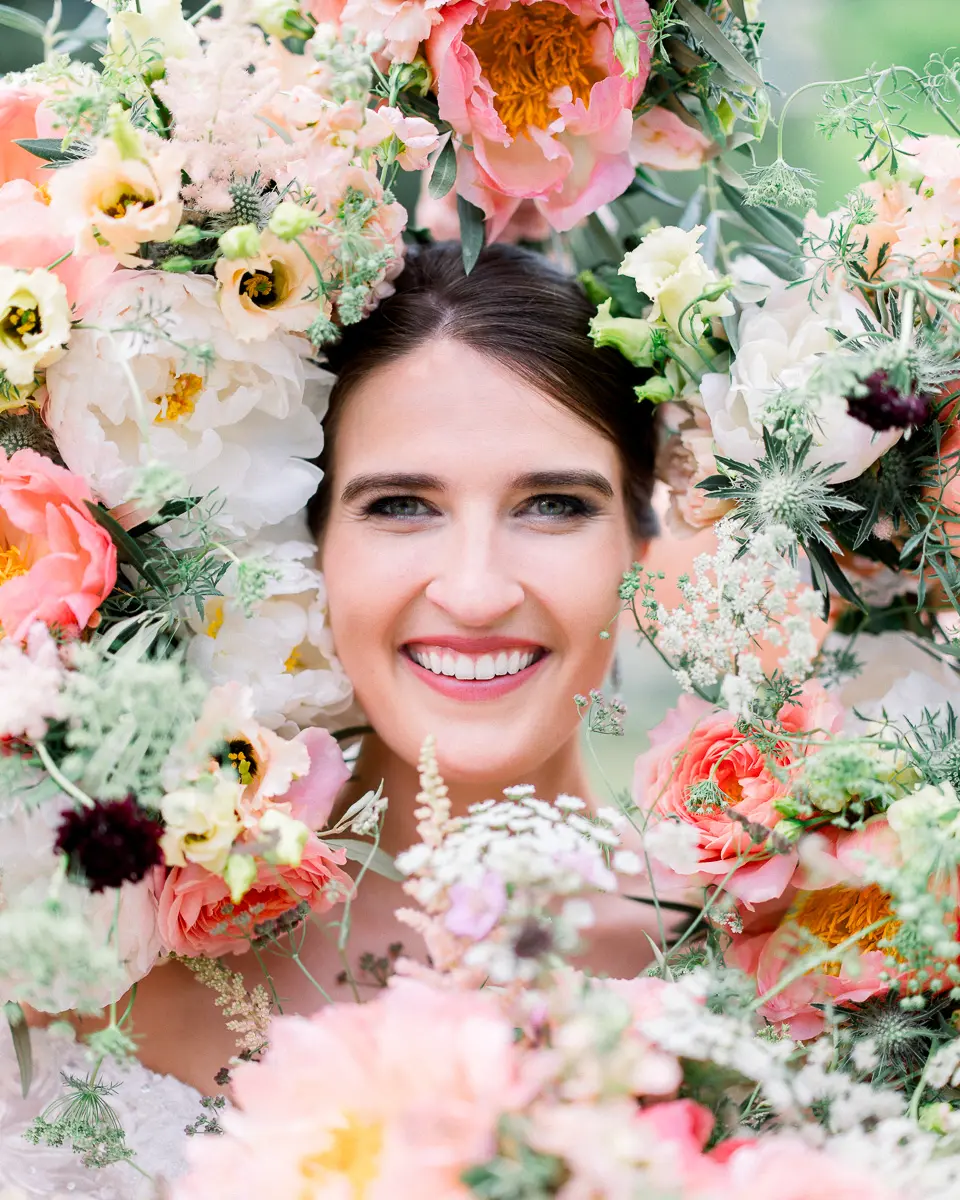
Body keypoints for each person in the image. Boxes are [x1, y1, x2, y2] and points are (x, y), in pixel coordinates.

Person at [72, 242, 667, 1096]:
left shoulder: (786, 965)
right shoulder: (109, 971)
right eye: (400, 506)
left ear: (637, 545)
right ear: (312, 546)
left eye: (553, 505)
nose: (474, 593)